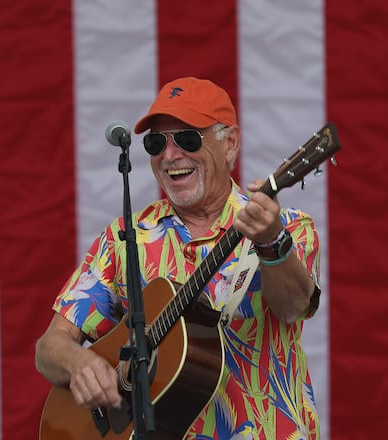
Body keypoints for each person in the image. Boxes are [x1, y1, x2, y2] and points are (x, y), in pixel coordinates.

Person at [35, 76, 321, 439]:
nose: (170, 156)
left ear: (230, 143)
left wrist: (271, 244)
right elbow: (49, 347)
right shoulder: (125, 238)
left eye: (188, 139)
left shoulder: (286, 227)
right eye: (156, 143)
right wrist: (78, 363)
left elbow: (293, 307)